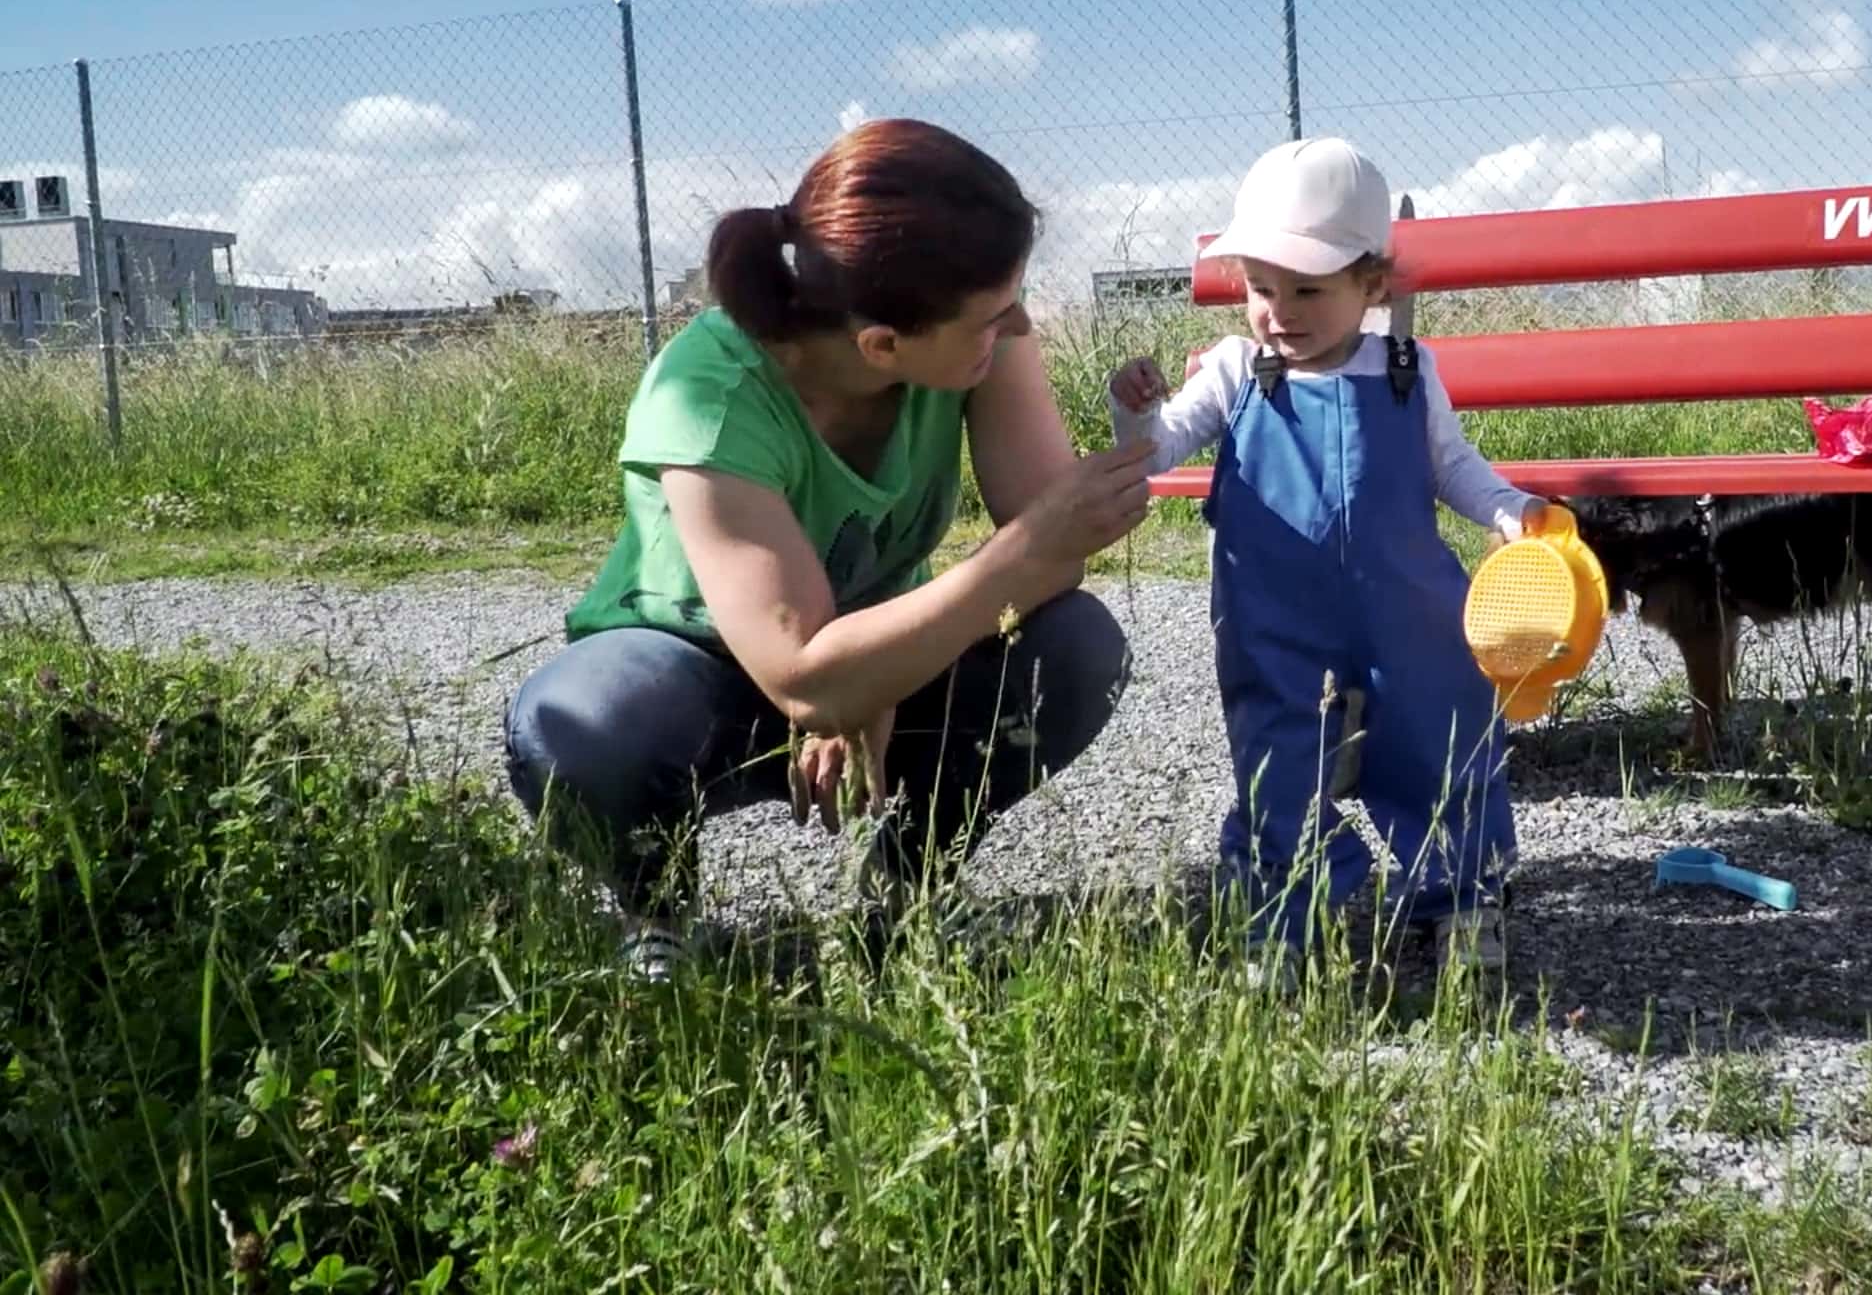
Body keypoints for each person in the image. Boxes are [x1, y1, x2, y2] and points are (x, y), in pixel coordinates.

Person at [504, 118, 1154, 981]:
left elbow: (1053, 560)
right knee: (588, 726)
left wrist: (876, 674)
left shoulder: (969, 341)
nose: (1020, 325)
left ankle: (909, 889)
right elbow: (805, 672)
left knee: (1077, 649)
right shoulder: (707, 393)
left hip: (863, 650)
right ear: (881, 344)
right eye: (995, 317)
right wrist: (853, 677)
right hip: (699, 676)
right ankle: (653, 909)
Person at [1108, 135, 1542, 992]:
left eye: (1308, 289)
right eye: (1262, 289)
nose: (1280, 310)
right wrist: (1135, 415)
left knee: (1442, 740)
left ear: (1372, 285)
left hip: (1410, 611)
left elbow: (1453, 466)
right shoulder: (1236, 371)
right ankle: (1283, 914)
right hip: (1276, 620)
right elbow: (1156, 453)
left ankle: (1460, 895)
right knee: (1277, 759)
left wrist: (1511, 512)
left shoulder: (1409, 371)